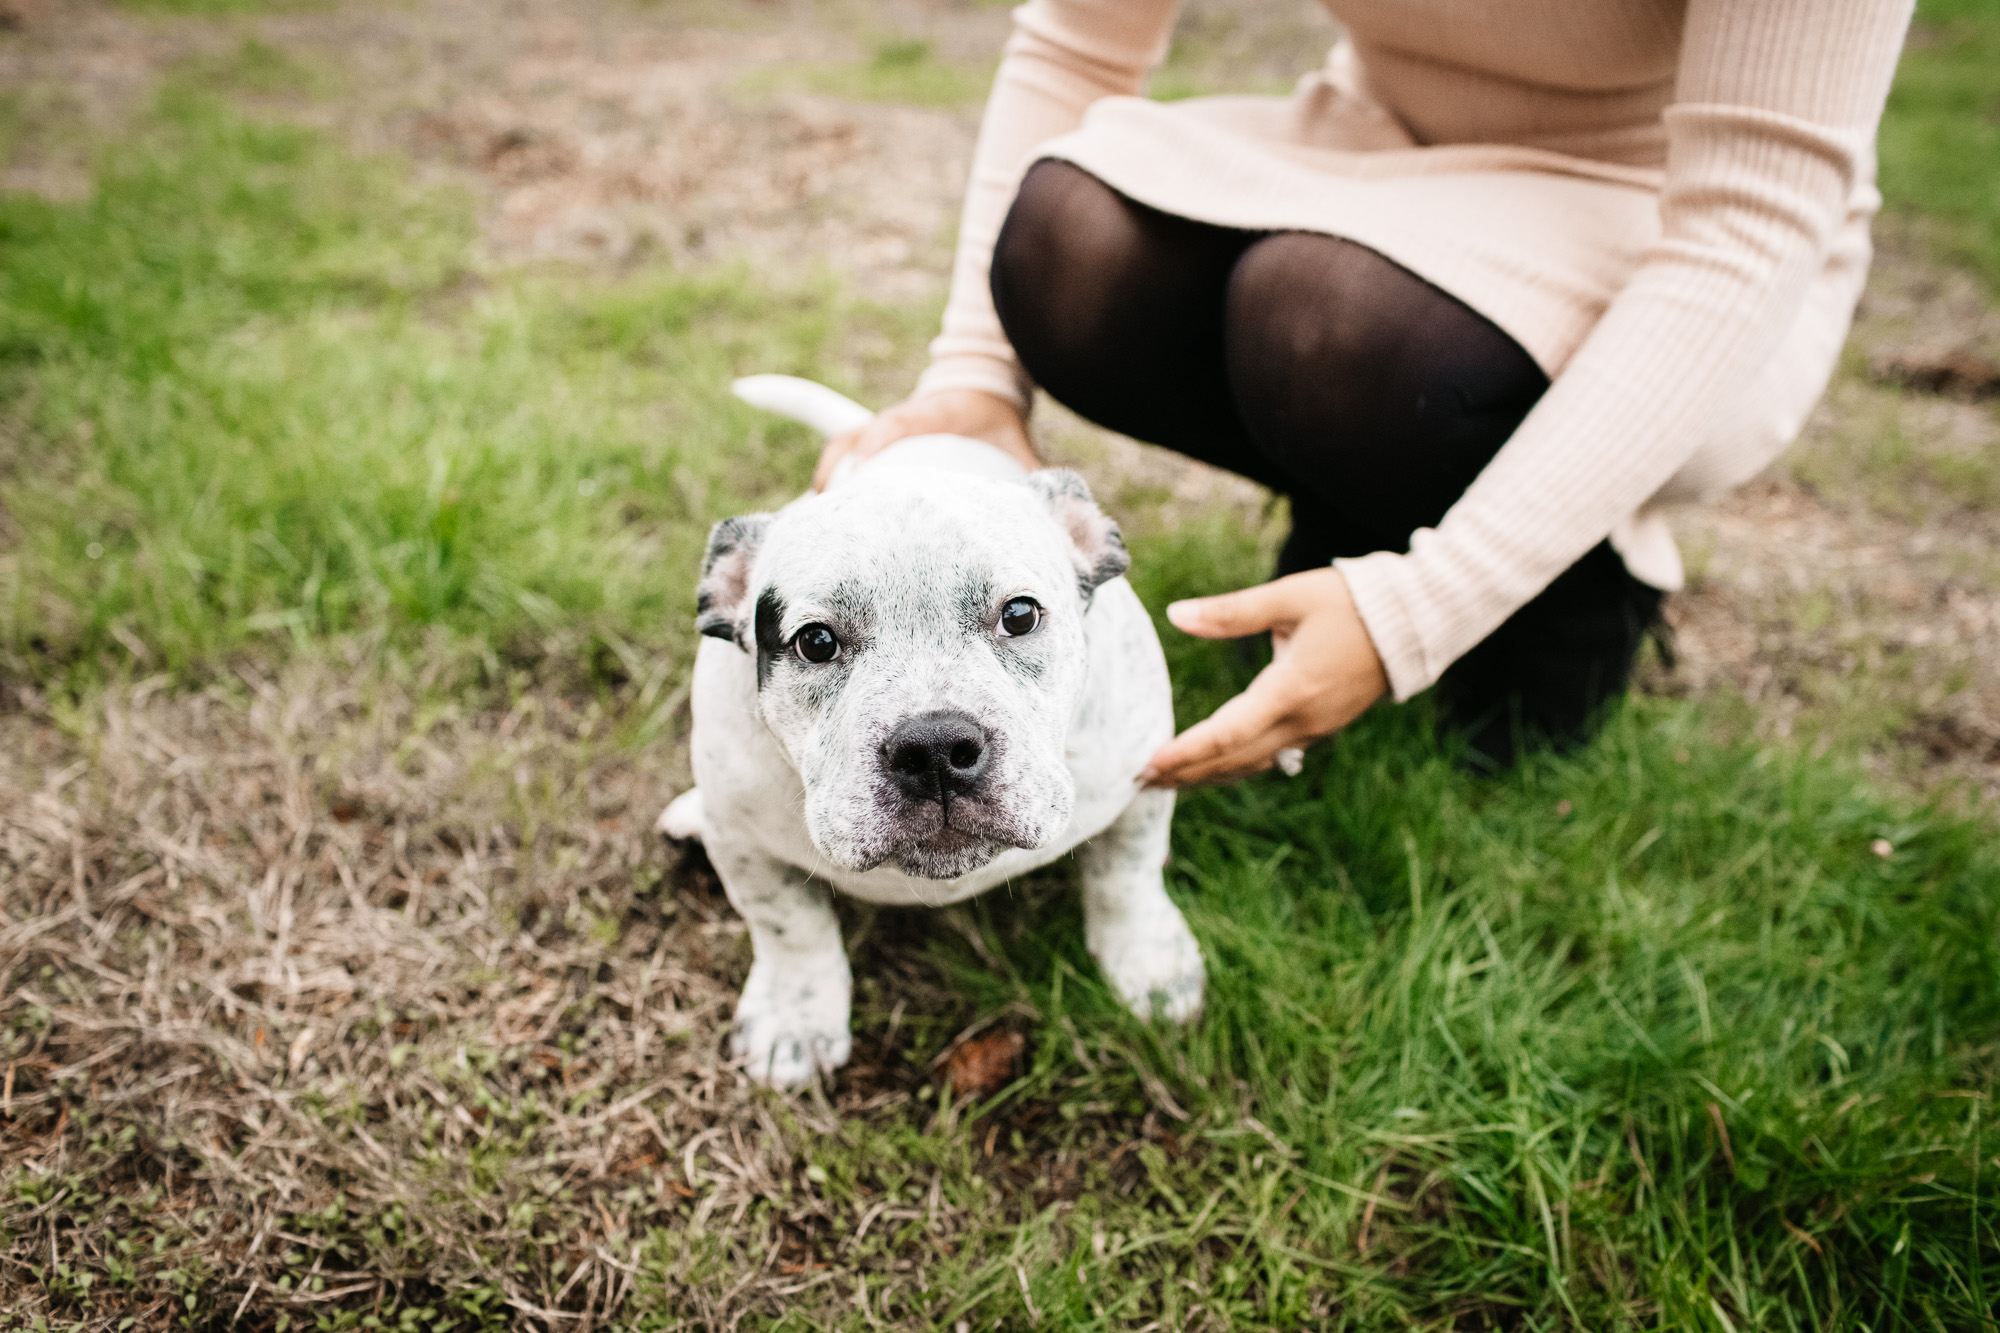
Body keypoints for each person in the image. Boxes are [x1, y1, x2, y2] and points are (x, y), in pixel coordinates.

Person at [815, 0, 1915, 784]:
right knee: (1073, 242)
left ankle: (1572, 575)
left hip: (1674, 223)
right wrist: (971, 375)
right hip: (1380, 151)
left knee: (1334, 325)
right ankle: (1365, 481)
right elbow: (1074, 44)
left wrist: (1419, 610)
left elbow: (1746, 226)